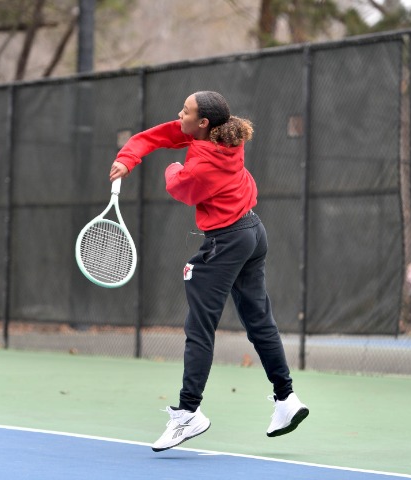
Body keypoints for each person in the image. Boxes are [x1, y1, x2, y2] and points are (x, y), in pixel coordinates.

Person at [109, 91, 309, 452]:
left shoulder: (204, 164)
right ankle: (286, 397)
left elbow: (180, 187)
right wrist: (127, 159)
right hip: (253, 232)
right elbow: (155, 136)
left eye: (185, 111)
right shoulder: (222, 136)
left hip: (226, 243)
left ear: (202, 122)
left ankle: (189, 412)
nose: (179, 114)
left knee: (199, 327)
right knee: (259, 320)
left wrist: (173, 168)